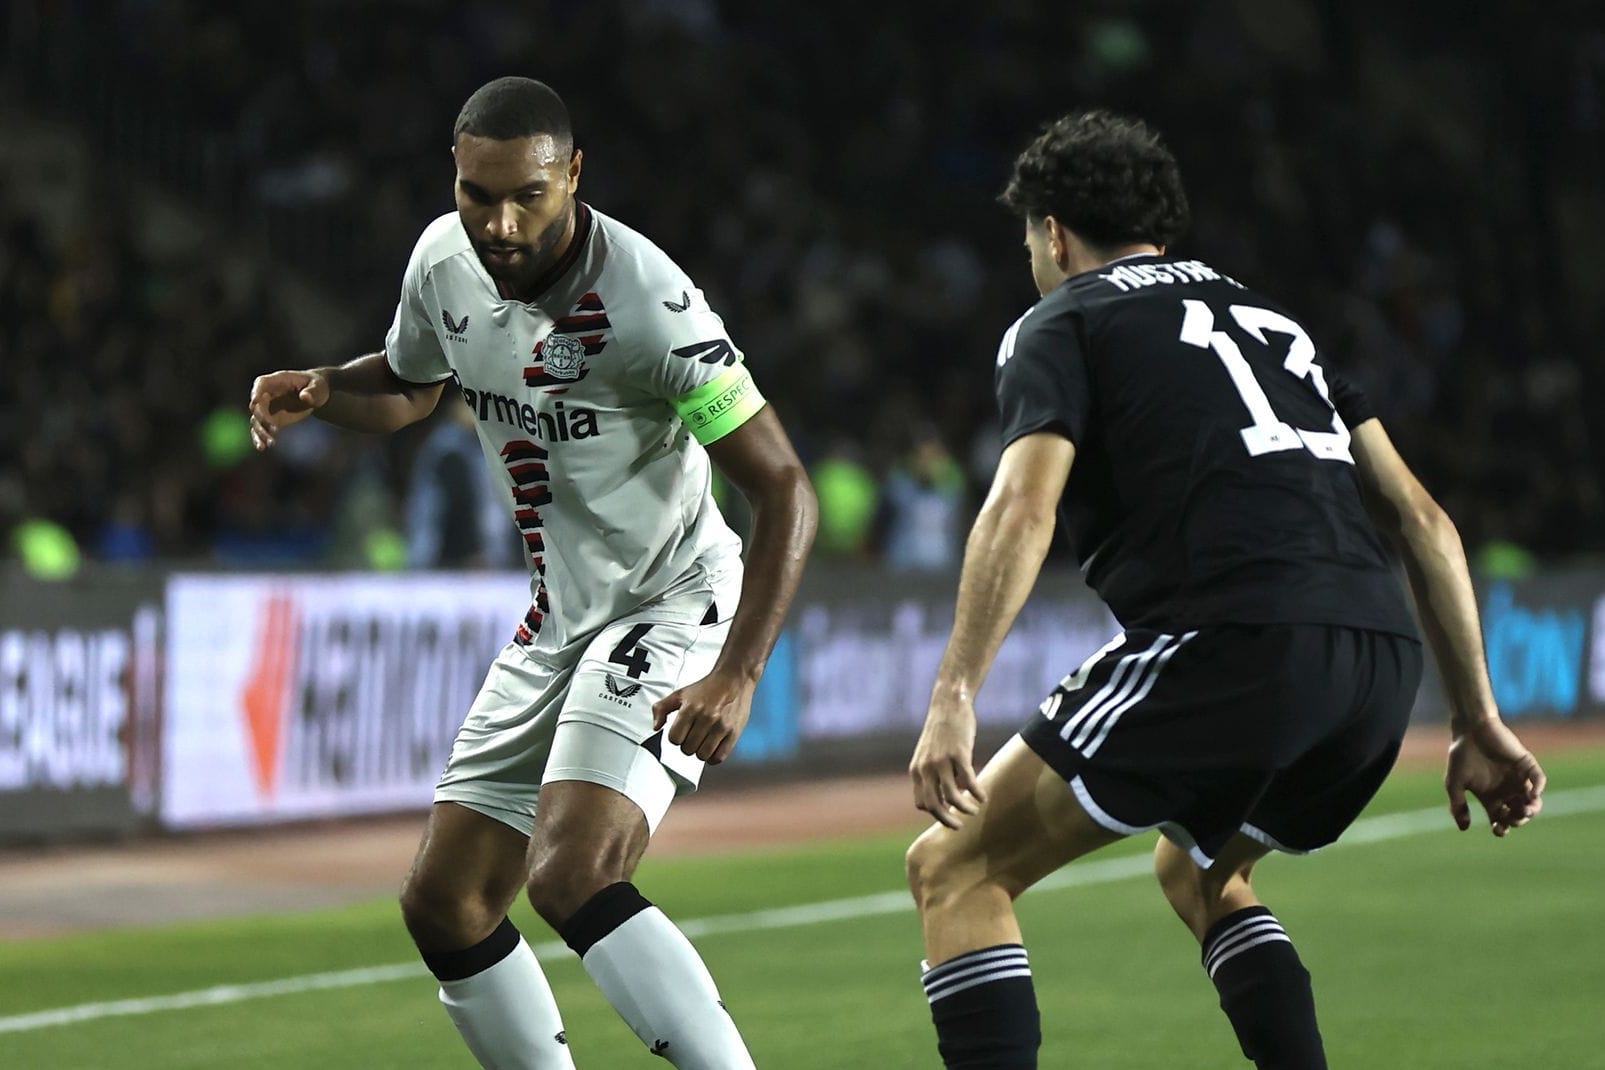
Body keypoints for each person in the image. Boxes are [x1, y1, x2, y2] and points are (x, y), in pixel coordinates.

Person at [904, 111, 1545, 1070]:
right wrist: (1474, 719)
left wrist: (953, 691)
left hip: (1233, 638)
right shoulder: (1277, 321)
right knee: (1201, 865)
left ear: (1050, 233)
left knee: (953, 866)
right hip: (1376, 661)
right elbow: (1423, 522)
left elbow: (1021, 506)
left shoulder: (1062, 319)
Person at [248, 77, 816, 1070]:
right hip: (561, 616)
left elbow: (786, 489)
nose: (501, 223)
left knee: (573, 871)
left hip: (672, 596)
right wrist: (328, 388)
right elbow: (414, 385)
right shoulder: (442, 259)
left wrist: (738, 671)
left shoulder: (651, 300)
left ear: (574, 177)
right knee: (445, 900)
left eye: (530, 196)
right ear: (455, 179)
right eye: (478, 194)